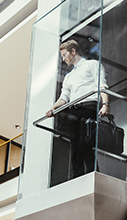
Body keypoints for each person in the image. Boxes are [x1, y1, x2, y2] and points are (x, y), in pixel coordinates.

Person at [46, 39, 109, 179]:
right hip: (73, 112)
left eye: (64, 55)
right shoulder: (69, 76)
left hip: (88, 107)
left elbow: (102, 85)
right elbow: (64, 98)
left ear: (73, 51)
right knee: (75, 149)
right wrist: (52, 109)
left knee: (85, 145)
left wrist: (105, 104)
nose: (63, 59)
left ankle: (92, 176)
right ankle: (78, 179)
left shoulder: (92, 65)